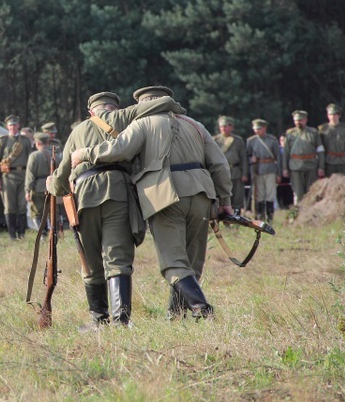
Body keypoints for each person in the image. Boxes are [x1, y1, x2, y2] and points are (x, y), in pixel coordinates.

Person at [71, 86, 233, 320]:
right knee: (191, 262)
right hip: (201, 195)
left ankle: (201, 308)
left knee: (173, 263)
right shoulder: (196, 125)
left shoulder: (143, 123)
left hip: (165, 196)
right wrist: (225, 201)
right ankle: (175, 315)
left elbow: (120, 149)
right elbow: (220, 165)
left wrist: (85, 154)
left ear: (142, 105)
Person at [49, 91, 187, 329]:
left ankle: (98, 319)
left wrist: (52, 184)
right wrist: (176, 107)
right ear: (114, 107)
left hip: (84, 196)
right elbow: (162, 102)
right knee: (118, 258)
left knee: (90, 261)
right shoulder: (125, 117)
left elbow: (62, 176)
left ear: (91, 112)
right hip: (118, 192)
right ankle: (121, 320)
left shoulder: (77, 130)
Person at [0, 115, 33, 240]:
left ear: (18, 126)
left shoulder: (25, 141)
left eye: (15, 125)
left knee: (22, 206)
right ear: (7, 126)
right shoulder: (2, 140)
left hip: (23, 176)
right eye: (10, 125)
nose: (13, 127)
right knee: (10, 207)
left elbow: (30, 161)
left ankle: (21, 234)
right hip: (7, 177)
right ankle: (12, 235)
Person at [282, 110, 324, 204]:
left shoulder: (313, 133)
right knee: (298, 193)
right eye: (296, 120)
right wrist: (285, 168)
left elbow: (320, 150)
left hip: (311, 166)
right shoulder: (290, 133)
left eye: (300, 120)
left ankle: (310, 213)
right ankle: (298, 214)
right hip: (295, 166)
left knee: (311, 192)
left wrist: (321, 167)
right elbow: (285, 153)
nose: (298, 122)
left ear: (306, 120)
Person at [246, 119, 281, 222]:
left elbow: (278, 157)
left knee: (270, 194)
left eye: (259, 129)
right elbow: (247, 155)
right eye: (255, 129)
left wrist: (279, 173)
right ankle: (260, 217)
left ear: (264, 128)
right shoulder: (251, 141)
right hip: (257, 170)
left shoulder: (272, 140)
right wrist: (251, 160)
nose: (257, 131)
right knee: (259, 195)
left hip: (270, 169)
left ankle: (270, 217)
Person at [213, 116, 248, 215]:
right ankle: (225, 219)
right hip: (220, 173)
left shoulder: (238, 140)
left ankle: (237, 218)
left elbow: (243, 158)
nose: (223, 128)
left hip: (235, 172)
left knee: (237, 197)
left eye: (226, 126)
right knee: (222, 197)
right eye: (221, 126)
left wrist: (244, 174)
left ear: (231, 127)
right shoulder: (215, 140)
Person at [25, 133, 55, 229]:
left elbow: (30, 175)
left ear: (37, 143)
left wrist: (28, 190)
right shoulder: (55, 155)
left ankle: (43, 234)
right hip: (52, 187)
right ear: (47, 142)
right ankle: (52, 231)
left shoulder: (34, 156)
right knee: (51, 211)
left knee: (37, 212)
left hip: (38, 188)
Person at [319, 103, 345, 177]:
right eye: (330, 115)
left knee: (344, 184)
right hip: (329, 162)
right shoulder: (322, 129)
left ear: (339, 115)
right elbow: (320, 148)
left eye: (335, 115)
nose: (332, 117)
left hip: (343, 161)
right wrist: (321, 165)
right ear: (327, 116)